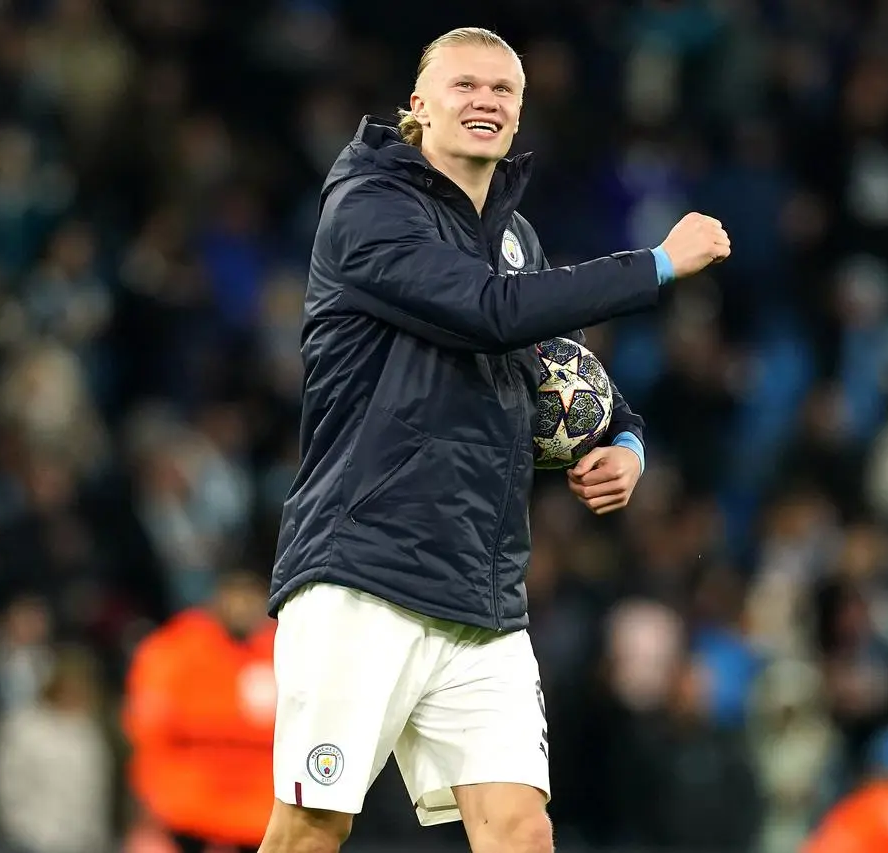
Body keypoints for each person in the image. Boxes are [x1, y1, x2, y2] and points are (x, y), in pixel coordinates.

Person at [264, 26, 730, 853]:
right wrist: (654, 264)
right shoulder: (368, 207)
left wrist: (627, 441)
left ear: (518, 116)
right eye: (464, 85)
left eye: (502, 90)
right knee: (310, 827)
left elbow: (558, 365)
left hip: (482, 593)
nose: (484, 100)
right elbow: (492, 312)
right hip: (364, 571)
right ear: (417, 108)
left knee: (518, 828)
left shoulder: (513, 240)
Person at [124, 569, 278, 853]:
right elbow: (148, 731)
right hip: (187, 812)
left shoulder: (281, 651)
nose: (243, 606)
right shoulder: (175, 649)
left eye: (251, 596)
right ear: (218, 598)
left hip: (258, 815)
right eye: (236, 595)